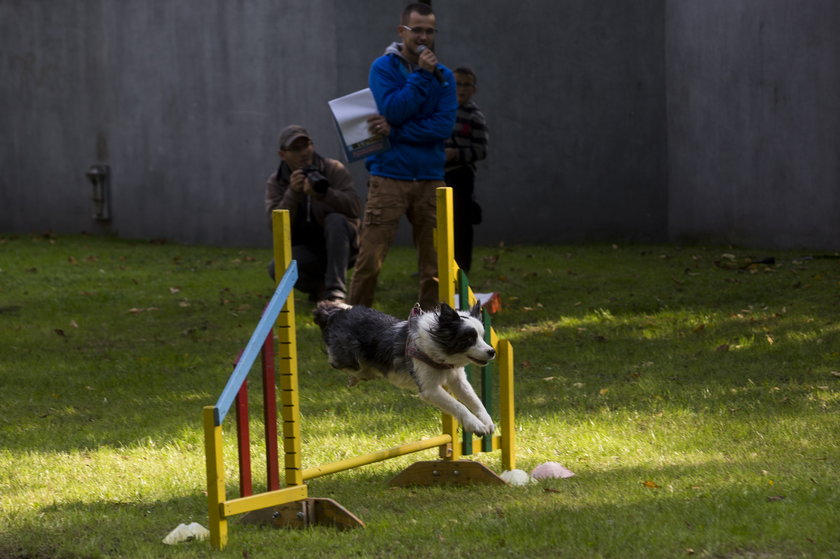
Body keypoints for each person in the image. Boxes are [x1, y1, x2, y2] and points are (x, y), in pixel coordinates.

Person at [347, 2, 457, 311]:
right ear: (402, 31)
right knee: (370, 260)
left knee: (435, 267)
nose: (423, 37)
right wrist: (421, 77)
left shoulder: (445, 76)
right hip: (389, 177)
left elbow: (442, 127)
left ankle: (433, 332)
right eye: (417, 30)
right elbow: (392, 109)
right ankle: (353, 327)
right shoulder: (383, 67)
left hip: (430, 179)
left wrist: (394, 131)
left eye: (429, 31)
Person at [265, 125, 361, 303]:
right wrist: (293, 193)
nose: (303, 152)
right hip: (308, 251)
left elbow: (355, 208)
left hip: (343, 247)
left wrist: (324, 194)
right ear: (282, 154)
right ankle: (320, 288)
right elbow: (274, 225)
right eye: (296, 148)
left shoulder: (333, 169)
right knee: (276, 267)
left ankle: (335, 294)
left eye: (306, 145)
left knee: (335, 219)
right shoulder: (276, 181)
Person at [444, 67, 488, 275]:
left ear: (474, 89)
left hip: (461, 175)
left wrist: (456, 154)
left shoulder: (475, 116)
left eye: (466, 85)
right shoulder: (441, 109)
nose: (461, 89)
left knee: (460, 222)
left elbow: (480, 151)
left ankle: (462, 268)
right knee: (437, 222)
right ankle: (437, 265)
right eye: (457, 84)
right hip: (438, 174)